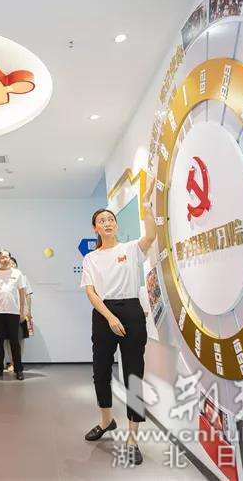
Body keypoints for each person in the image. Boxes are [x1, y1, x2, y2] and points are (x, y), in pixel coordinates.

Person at [80, 178, 156, 466]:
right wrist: (109, 316)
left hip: (132, 311)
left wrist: (146, 204)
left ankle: (133, 437)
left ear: (115, 224)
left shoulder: (131, 248)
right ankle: (106, 420)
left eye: (110, 219)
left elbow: (151, 235)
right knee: (100, 370)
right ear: (95, 228)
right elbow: (91, 292)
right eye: (102, 220)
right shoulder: (91, 258)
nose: (107, 223)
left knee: (134, 374)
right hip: (104, 314)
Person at [0, 249, 26, 381]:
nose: (5, 259)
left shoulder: (17, 273)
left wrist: (22, 311)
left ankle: (18, 369)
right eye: (2, 257)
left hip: (13, 312)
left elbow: (22, 292)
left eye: (7, 257)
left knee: (14, 341)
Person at [6, 257, 33, 371]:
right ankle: (12, 362)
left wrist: (28, 311)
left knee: (20, 338)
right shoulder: (3, 279)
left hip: (21, 312)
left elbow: (28, 295)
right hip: (8, 312)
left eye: (13, 263)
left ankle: (18, 362)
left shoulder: (23, 278)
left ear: (16, 265)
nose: (11, 265)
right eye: (9, 263)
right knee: (9, 338)